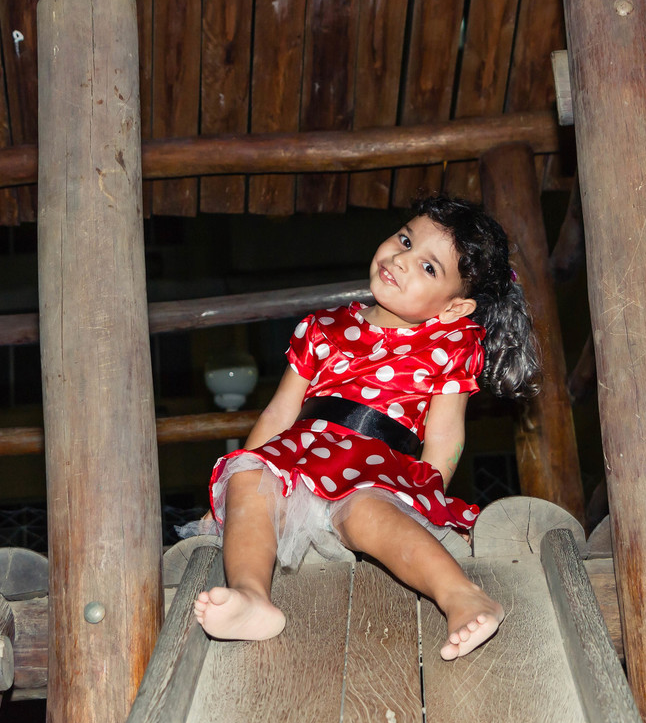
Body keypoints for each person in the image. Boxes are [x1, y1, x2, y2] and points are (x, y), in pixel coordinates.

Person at [193, 194, 540, 660]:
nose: (400, 260)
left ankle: (461, 595)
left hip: (375, 468)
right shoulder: (323, 327)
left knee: (367, 514)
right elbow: (279, 414)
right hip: (298, 458)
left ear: (455, 308)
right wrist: (237, 482)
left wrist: (429, 491)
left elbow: (445, 435)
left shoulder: (450, 344)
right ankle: (252, 597)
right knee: (250, 480)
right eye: (404, 239)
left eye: (429, 267)